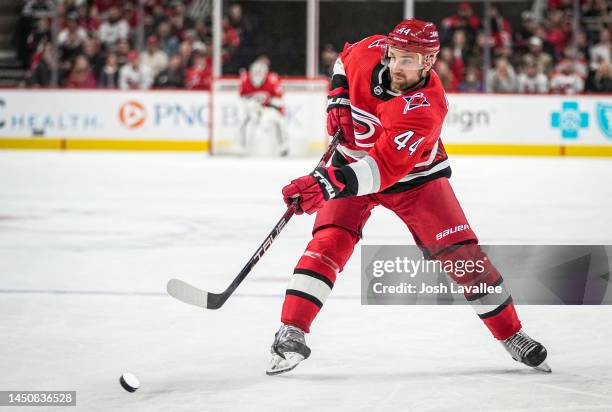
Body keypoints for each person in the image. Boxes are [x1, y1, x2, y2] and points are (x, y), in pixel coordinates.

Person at [266, 19, 550, 376]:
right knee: (329, 241)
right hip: (350, 164)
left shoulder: (426, 108)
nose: (397, 66)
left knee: (464, 257)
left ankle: (512, 334)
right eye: (394, 56)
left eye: (408, 61)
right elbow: (343, 60)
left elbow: (382, 170)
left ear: (428, 63)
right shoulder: (370, 51)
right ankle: (291, 329)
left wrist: (324, 184)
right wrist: (338, 95)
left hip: (414, 182)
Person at [238, 57, 289, 156]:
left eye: (260, 73)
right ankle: (243, 146)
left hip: (270, 109)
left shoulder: (272, 81)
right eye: (255, 73)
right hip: (254, 110)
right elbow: (241, 99)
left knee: (278, 121)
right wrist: (251, 106)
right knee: (244, 121)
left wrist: (268, 104)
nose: (257, 76)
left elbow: (280, 102)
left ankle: (283, 146)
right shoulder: (245, 81)